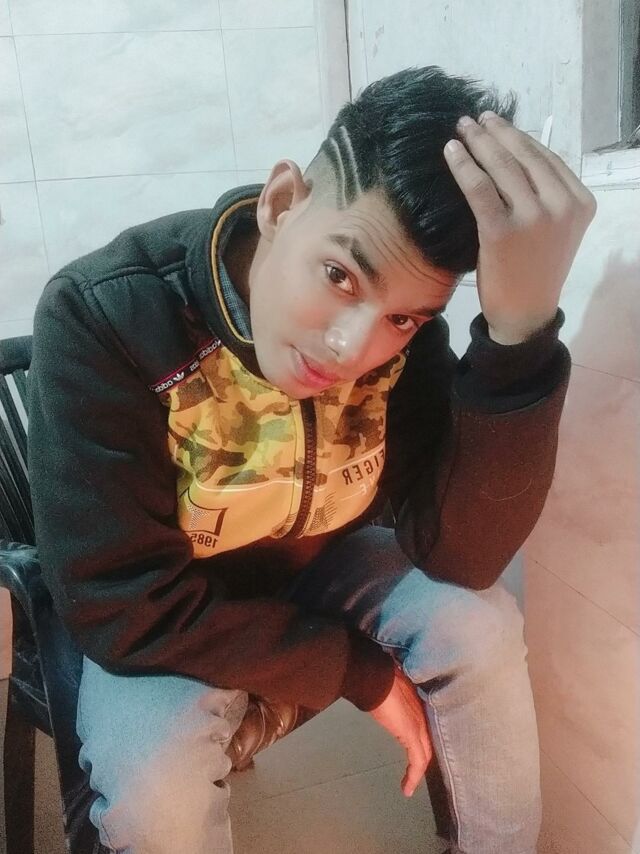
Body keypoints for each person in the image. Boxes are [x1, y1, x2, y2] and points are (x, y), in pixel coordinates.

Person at [27, 65, 596, 854]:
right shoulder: (107, 314)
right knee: (154, 788)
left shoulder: (406, 344)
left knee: (480, 624)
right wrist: (358, 674)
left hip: (319, 564)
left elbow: (460, 557)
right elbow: (116, 599)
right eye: (339, 275)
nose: (351, 347)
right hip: (167, 609)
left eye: (403, 317)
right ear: (282, 201)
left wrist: (519, 336)